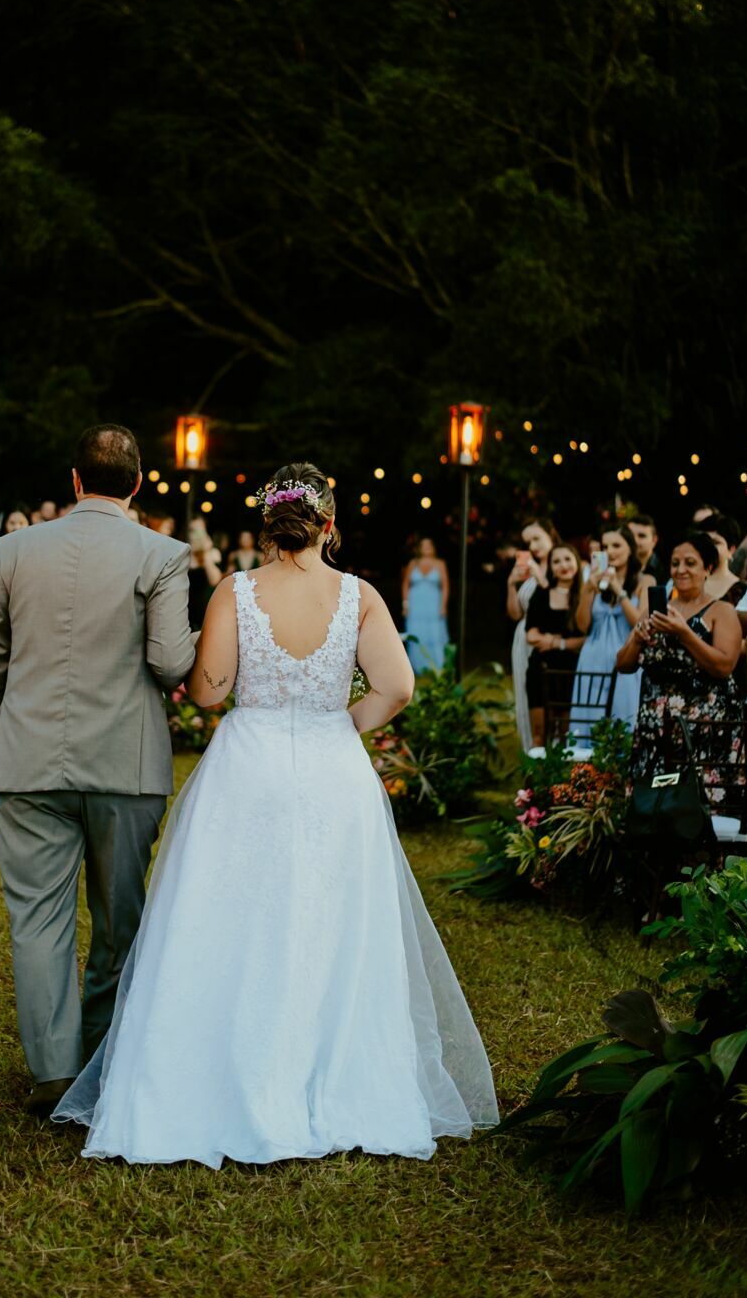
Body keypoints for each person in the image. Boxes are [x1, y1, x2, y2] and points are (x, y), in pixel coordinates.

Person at [53, 461, 497, 1164]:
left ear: (270, 525)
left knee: (231, 914)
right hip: (333, 768)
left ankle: (219, 1076)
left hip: (248, 766)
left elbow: (208, 692)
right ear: (329, 524)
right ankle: (337, 1075)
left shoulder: (237, 591)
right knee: (335, 921)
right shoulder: (360, 596)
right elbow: (398, 687)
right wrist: (341, 724)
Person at [0, 424, 197, 1114]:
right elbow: (168, 662)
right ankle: (104, 1058)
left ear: (74, 481)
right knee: (119, 918)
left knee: (37, 920)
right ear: (138, 483)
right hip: (125, 766)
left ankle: (55, 1073)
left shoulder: (12, 550)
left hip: (29, 761)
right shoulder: (163, 554)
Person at [617, 531, 742, 781]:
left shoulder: (722, 611)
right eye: (675, 563)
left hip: (703, 731)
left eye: (690, 563)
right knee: (653, 809)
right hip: (656, 730)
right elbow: (623, 665)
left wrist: (685, 633)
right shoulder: (657, 611)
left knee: (699, 813)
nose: (680, 570)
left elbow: (724, 666)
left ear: (707, 568)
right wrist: (638, 640)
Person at [570, 525, 652, 738]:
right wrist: (588, 589)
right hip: (592, 658)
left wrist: (619, 590)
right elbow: (582, 625)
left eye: (616, 545)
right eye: (605, 546)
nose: (610, 551)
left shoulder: (645, 581)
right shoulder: (592, 581)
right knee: (589, 722)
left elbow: (640, 623)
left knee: (623, 720)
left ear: (630, 549)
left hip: (626, 660)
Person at [523, 543, 586, 746]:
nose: (563, 565)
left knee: (568, 735)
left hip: (572, 670)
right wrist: (560, 642)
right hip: (542, 669)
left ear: (577, 561)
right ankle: (538, 774)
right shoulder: (542, 594)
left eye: (567, 559)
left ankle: (565, 776)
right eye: (556, 561)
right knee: (540, 733)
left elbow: (587, 639)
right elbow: (531, 634)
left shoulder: (586, 597)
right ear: (550, 567)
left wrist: (556, 642)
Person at [505, 518, 558, 750]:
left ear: (550, 534)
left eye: (537, 538)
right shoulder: (528, 570)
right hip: (522, 637)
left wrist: (540, 577)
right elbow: (516, 613)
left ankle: (554, 748)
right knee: (526, 696)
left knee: (549, 696)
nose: (534, 546)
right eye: (528, 542)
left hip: (548, 638)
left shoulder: (562, 563)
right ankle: (531, 750)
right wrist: (511, 584)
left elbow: (556, 604)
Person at [401, 537, 450, 673]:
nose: (427, 547)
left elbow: (445, 586)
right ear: (419, 548)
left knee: (434, 634)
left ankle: (436, 666)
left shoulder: (440, 564)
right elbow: (405, 584)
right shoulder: (413, 563)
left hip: (433, 605)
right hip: (416, 606)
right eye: (424, 545)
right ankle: (416, 666)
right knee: (416, 633)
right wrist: (405, 604)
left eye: (429, 544)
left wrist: (443, 605)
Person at [187, 518, 223, 632]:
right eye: (193, 530)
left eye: (200, 530)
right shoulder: (184, 554)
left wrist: (206, 552)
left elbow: (215, 580)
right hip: (187, 611)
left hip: (207, 609)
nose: (197, 535)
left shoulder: (213, 553)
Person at [702, 515, 744, 605]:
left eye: (716, 543)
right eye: (705, 541)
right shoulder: (683, 580)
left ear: (731, 550)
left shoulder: (743, 592)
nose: (708, 546)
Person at [628, 514, 662, 582]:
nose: (635, 540)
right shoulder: (617, 567)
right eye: (630, 535)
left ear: (654, 541)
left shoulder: (665, 571)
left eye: (641, 536)